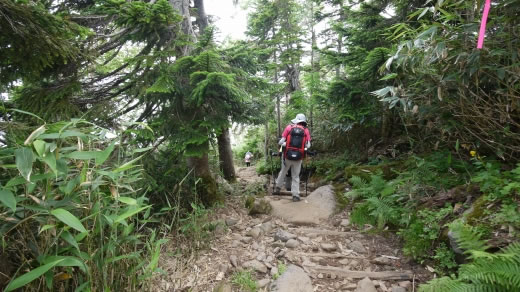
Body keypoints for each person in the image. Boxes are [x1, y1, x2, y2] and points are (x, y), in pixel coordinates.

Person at [274, 113, 311, 202]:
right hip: (299, 157)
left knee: (283, 172)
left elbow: (280, 142)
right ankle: (295, 195)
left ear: (296, 120)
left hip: (287, 156)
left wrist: (286, 144)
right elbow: (308, 145)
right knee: (295, 176)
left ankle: (277, 189)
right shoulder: (306, 130)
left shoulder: (289, 127)